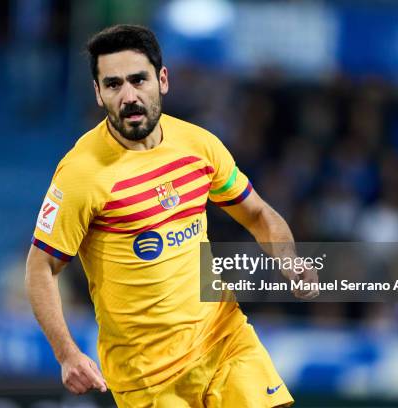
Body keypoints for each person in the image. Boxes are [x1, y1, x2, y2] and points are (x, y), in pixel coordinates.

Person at [25, 24, 319, 408]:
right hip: (148, 378)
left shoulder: (198, 145)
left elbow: (259, 214)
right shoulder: (81, 173)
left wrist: (288, 257)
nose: (129, 96)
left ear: (162, 80)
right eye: (113, 85)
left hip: (224, 340)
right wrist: (66, 354)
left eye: (138, 80)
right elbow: (39, 267)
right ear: (98, 94)